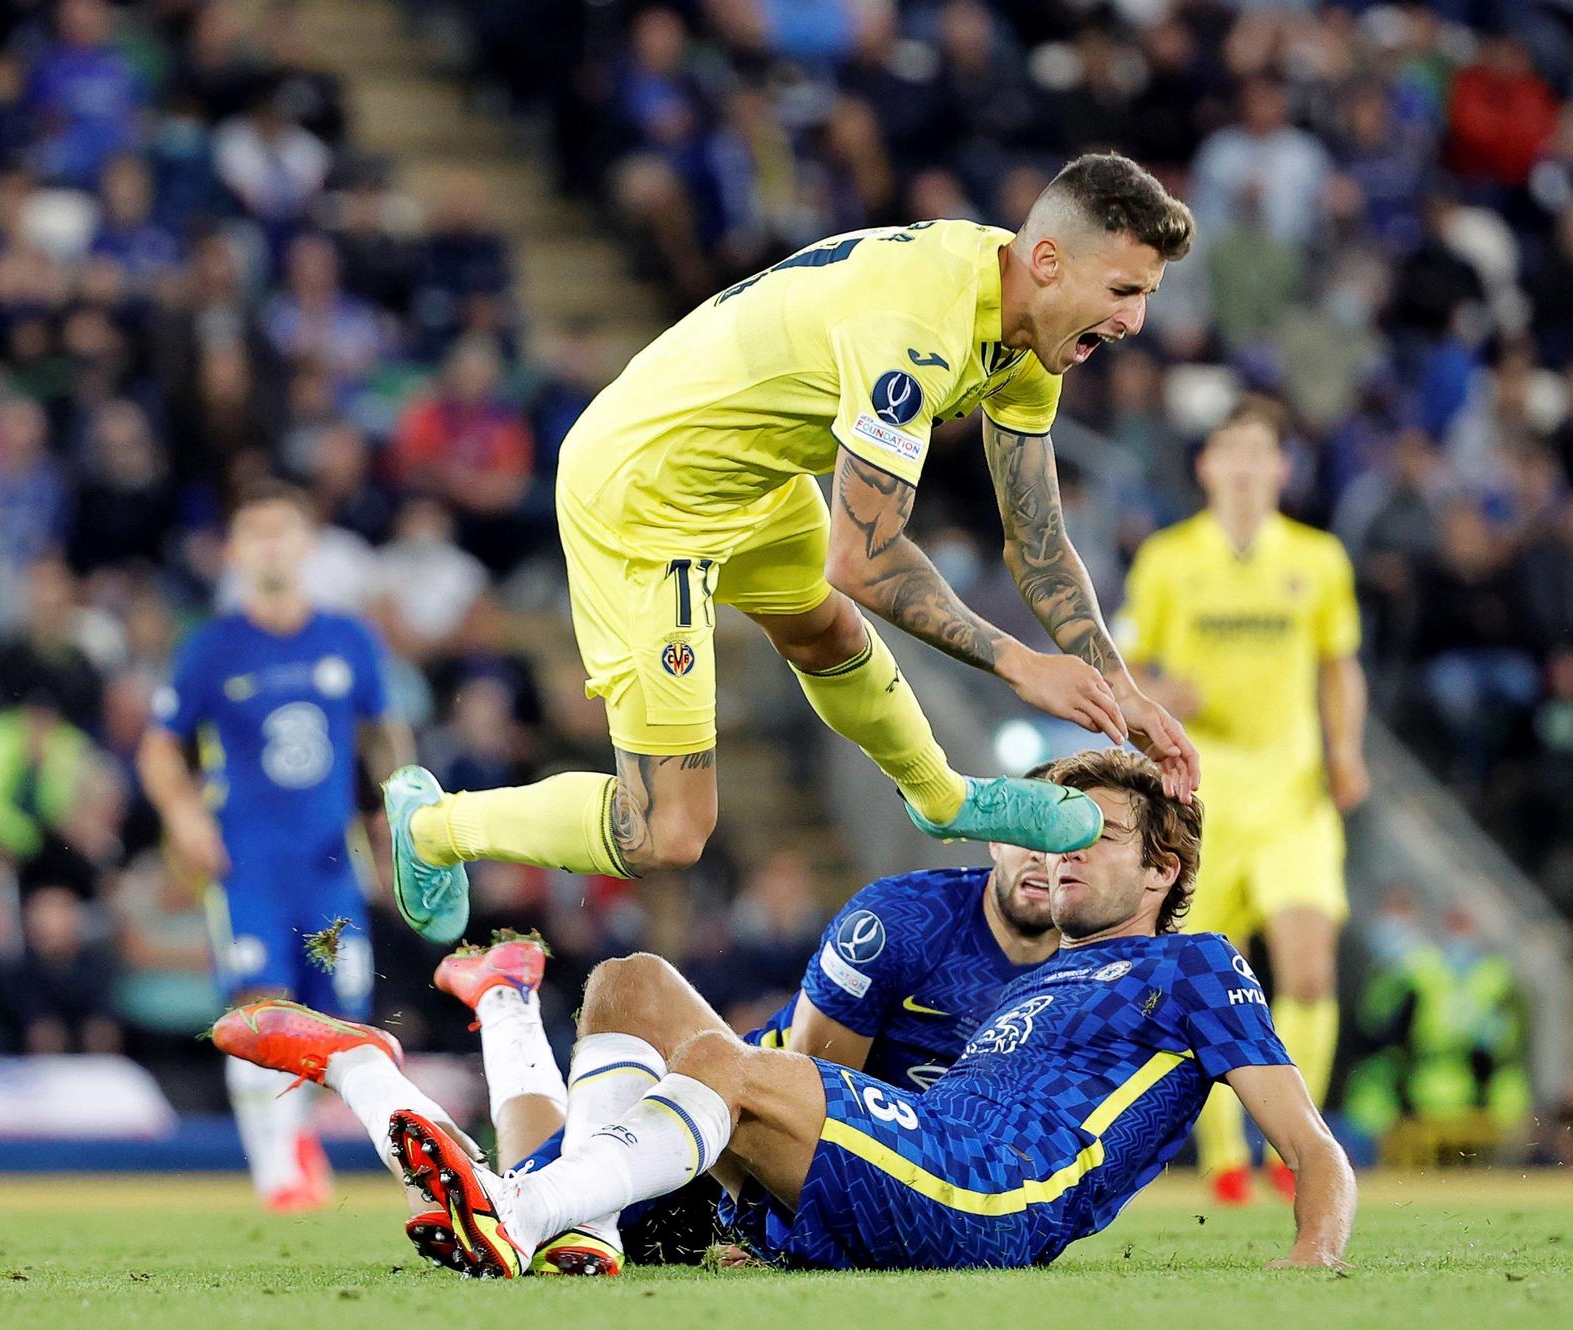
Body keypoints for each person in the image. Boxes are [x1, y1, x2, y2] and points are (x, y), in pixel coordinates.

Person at [382, 152, 1201, 946]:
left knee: (826, 632)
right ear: (1050, 260)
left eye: (1146, 296)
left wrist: (1121, 691)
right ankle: (434, 826)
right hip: (649, 496)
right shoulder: (917, 330)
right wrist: (1021, 664)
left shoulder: (1030, 326)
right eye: (1124, 291)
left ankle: (943, 799)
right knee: (668, 831)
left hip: (753, 472)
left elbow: (1040, 543)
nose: (1134, 321)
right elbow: (863, 559)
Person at [221, 749, 1354, 1277]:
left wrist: (1310, 1262)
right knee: (636, 994)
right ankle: (408, 1079)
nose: (1057, 852)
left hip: (983, 1188)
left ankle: (516, 1202)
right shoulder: (986, 954)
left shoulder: (1194, 964)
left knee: (716, 1073)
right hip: (879, 1162)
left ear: (1161, 871)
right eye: (1047, 826)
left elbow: (1311, 1149)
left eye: (1092, 836)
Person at [415, 815, 1060, 1274]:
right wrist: (766, 1225)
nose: (1040, 856)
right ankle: (498, 1010)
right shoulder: (906, 919)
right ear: (992, 836)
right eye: (1025, 835)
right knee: (530, 1199)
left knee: (554, 1216)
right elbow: (815, 1086)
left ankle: (502, 995)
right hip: (729, 1139)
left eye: (1061, 844)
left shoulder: (1097, 980)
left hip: (858, 1183)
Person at [137, 482, 411, 1212]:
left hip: (329, 864)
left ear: (307, 543)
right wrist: (184, 816)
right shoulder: (212, 646)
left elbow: (386, 735)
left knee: (340, 1025)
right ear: (233, 550)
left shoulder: (348, 640)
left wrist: (401, 808)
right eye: (252, 532)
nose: (268, 545)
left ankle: (300, 1141)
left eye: (281, 530)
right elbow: (159, 748)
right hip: (247, 863)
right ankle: (278, 1176)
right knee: (260, 1008)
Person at [1118, 407, 1369, 1205]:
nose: (1248, 467)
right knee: (1212, 981)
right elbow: (1123, 664)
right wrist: (1156, 693)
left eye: (1263, 453)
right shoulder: (1167, 560)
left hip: (1293, 796)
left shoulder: (1317, 559)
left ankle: (1294, 1143)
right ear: (1207, 466)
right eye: (1233, 452)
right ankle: (1225, 1155)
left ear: (1282, 469)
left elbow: (1339, 665)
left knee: (1307, 967)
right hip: (1203, 795)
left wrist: (1345, 750)